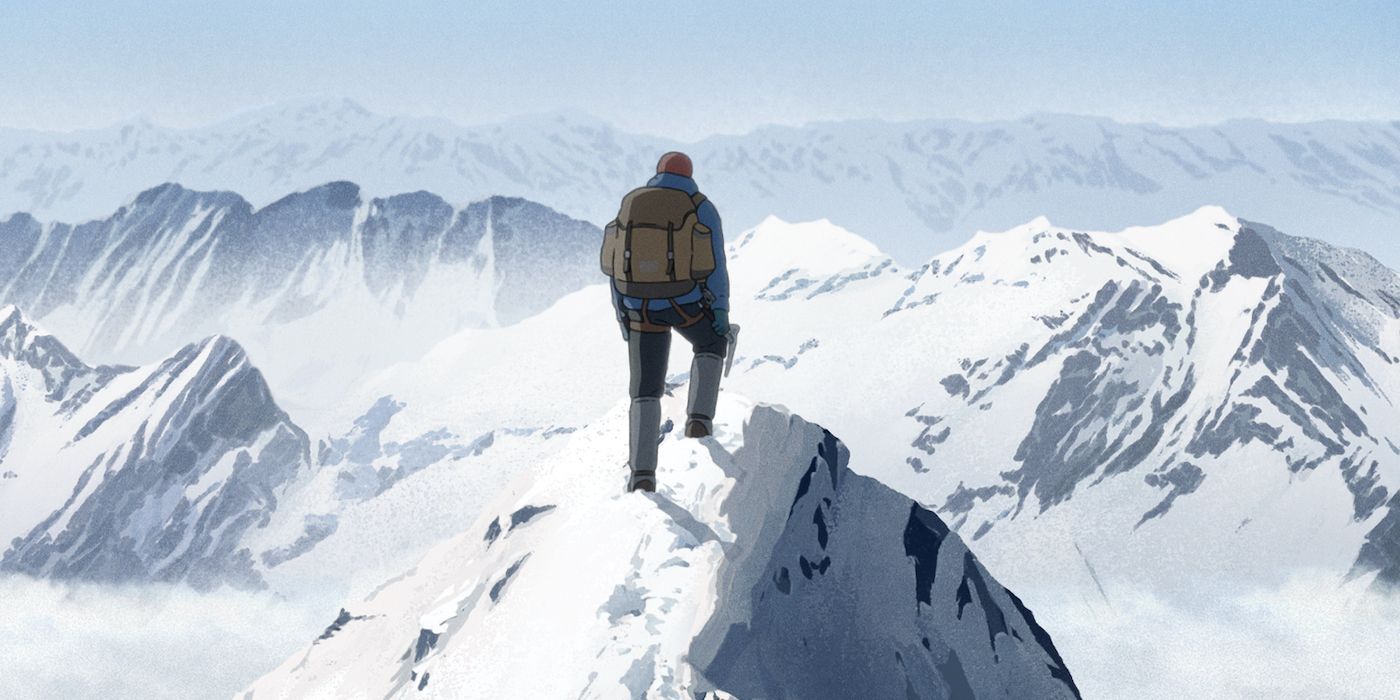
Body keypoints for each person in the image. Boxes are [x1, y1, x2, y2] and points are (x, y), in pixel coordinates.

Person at [599, 151, 731, 493]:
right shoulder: (700, 206)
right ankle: (699, 422)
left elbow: (615, 268)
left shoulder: (632, 204)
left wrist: (622, 315)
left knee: (645, 389)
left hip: (640, 307)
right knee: (711, 343)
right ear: (689, 174)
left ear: (658, 172)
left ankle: (642, 474)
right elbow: (715, 265)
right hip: (685, 302)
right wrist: (719, 311)